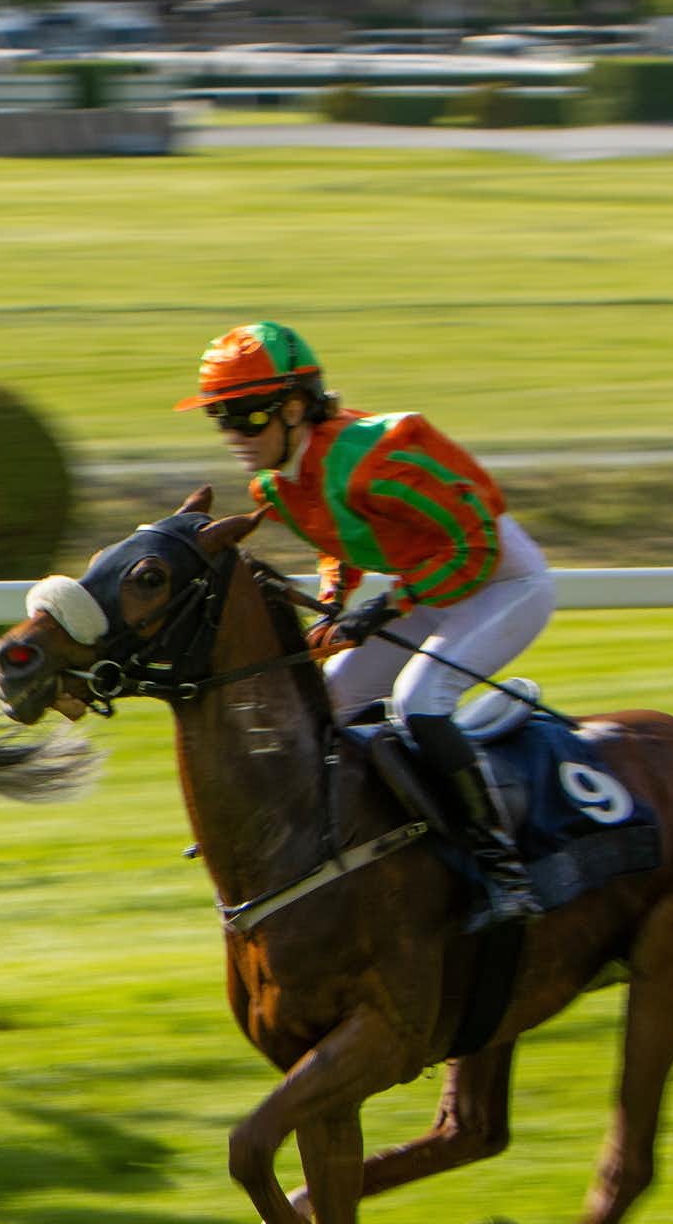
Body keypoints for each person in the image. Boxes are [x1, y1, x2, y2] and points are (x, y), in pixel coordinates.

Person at [179, 319, 547, 927]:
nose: (232, 434)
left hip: (504, 582)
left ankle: (503, 867)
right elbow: (338, 538)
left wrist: (390, 606)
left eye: (245, 415)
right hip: (431, 582)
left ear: (295, 408)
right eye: (220, 417)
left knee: (420, 699)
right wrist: (334, 600)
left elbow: (475, 544)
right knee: (331, 701)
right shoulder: (277, 483)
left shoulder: (373, 457)